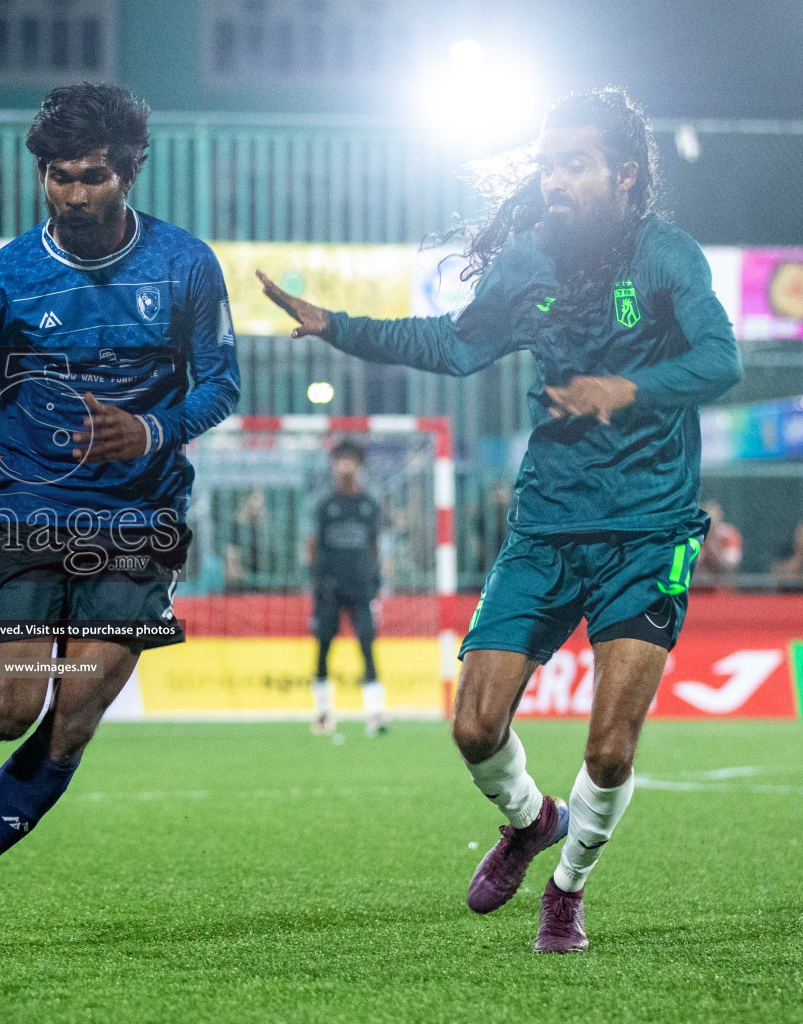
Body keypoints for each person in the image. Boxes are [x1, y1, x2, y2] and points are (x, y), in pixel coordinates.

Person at [259, 89, 742, 953]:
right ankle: (530, 822)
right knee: (474, 726)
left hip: (650, 532)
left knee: (610, 751)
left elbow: (721, 359)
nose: (555, 180)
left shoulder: (667, 258)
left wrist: (632, 389)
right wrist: (338, 328)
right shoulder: (528, 263)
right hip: (547, 526)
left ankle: (568, 888)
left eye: (575, 164)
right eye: (547, 165)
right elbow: (451, 346)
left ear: (623, 174)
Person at [0, 84, 240, 882]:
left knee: (73, 718)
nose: (74, 194)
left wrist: (150, 429)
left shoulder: (186, 265)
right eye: (58, 177)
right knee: (13, 713)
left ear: (132, 171)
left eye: (93, 177)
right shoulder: (6, 279)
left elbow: (222, 386)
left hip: (142, 519)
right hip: (33, 513)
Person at [307, 438, 386, 737]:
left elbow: (374, 544)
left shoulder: (369, 505)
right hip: (329, 587)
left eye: (350, 459)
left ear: (358, 464)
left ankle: (375, 713)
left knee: (367, 643)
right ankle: (323, 713)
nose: (345, 465)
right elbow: (313, 544)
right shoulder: (325, 505)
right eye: (340, 459)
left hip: (360, 586)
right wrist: (317, 578)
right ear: (333, 464)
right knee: (324, 646)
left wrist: (375, 576)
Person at [696, 500, 742, 587]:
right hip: (697, 585)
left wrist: (713, 551)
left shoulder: (729, 535)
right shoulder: (695, 536)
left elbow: (730, 565)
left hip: (723, 584)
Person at [771, 519, 803, 586]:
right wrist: (801, 553)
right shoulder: (786, 550)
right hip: (788, 592)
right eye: (802, 534)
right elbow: (776, 570)